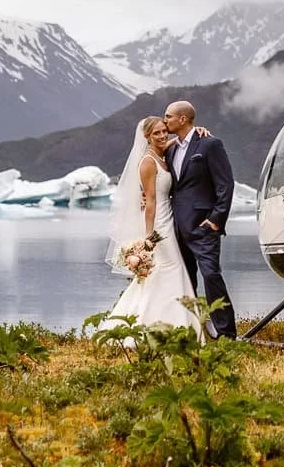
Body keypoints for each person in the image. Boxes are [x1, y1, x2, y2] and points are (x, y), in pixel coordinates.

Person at [102, 116, 201, 336]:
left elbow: (176, 141)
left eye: (164, 131)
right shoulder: (148, 161)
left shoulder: (162, 153)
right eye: (156, 133)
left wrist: (197, 130)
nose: (162, 135)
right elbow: (151, 201)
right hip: (159, 223)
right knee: (169, 268)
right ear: (147, 136)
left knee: (168, 269)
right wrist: (149, 236)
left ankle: (174, 323)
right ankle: (157, 325)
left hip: (169, 218)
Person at [163, 99, 238, 339]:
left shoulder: (210, 144)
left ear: (182, 119)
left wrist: (216, 219)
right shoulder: (171, 148)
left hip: (204, 226)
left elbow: (225, 184)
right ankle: (195, 330)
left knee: (211, 276)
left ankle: (226, 334)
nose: (165, 121)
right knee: (185, 280)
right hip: (177, 227)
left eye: (168, 117)